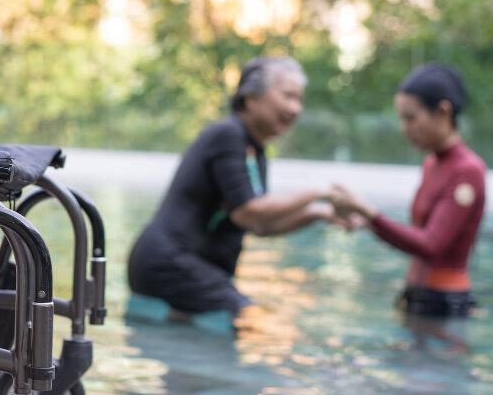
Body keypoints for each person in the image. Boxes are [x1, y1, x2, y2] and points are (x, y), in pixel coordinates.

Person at [127, 56, 348, 323]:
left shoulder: (255, 148)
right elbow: (248, 213)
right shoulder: (228, 134)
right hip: (169, 263)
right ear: (251, 98)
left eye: (300, 99)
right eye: (288, 96)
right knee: (253, 320)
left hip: (185, 264)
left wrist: (319, 213)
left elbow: (261, 225)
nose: (296, 108)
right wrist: (320, 192)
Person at [331, 62, 486, 318]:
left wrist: (367, 211)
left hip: (445, 305)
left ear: (443, 113)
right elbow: (418, 235)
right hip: (417, 296)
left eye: (411, 117)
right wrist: (366, 223)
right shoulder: (431, 163)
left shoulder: (468, 171)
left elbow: (431, 245)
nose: (405, 128)